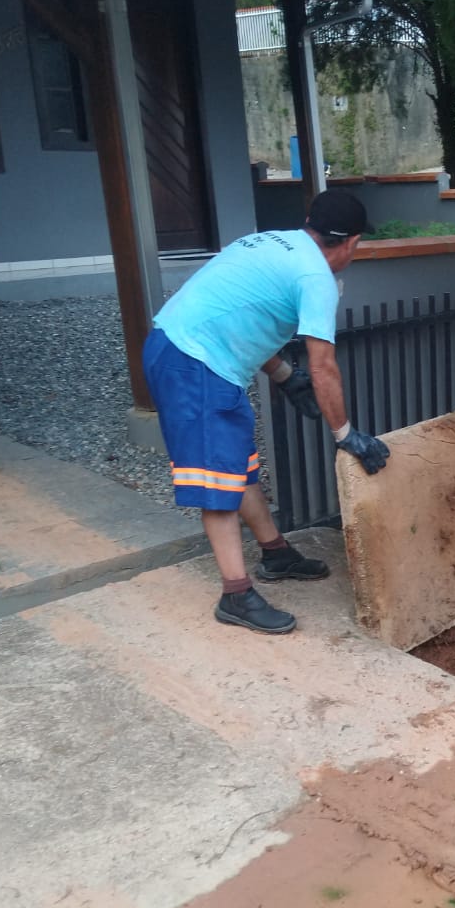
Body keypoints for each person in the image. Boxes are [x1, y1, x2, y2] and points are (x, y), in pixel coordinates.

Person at [143, 189, 390, 634]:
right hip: (193, 362)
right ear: (351, 243)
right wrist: (345, 434)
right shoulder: (315, 276)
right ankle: (235, 594)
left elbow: (238, 317)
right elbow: (323, 363)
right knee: (217, 479)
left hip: (190, 350)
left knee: (239, 469)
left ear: (310, 223)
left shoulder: (272, 242)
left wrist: (282, 375)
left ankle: (275, 554)